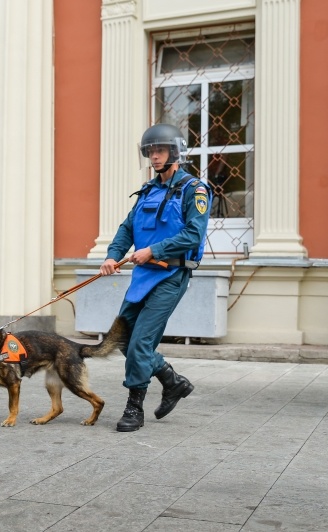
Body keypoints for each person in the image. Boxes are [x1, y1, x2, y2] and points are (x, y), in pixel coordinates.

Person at [99, 123, 211, 432]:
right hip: (142, 276)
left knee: (140, 344)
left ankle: (135, 407)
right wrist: (113, 254)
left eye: (160, 150)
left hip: (171, 275)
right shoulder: (148, 190)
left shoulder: (195, 189)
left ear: (175, 152)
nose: (155, 156)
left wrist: (153, 250)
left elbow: (193, 234)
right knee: (121, 338)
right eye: (150, 151)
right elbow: (127, 229)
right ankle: (171, 381)